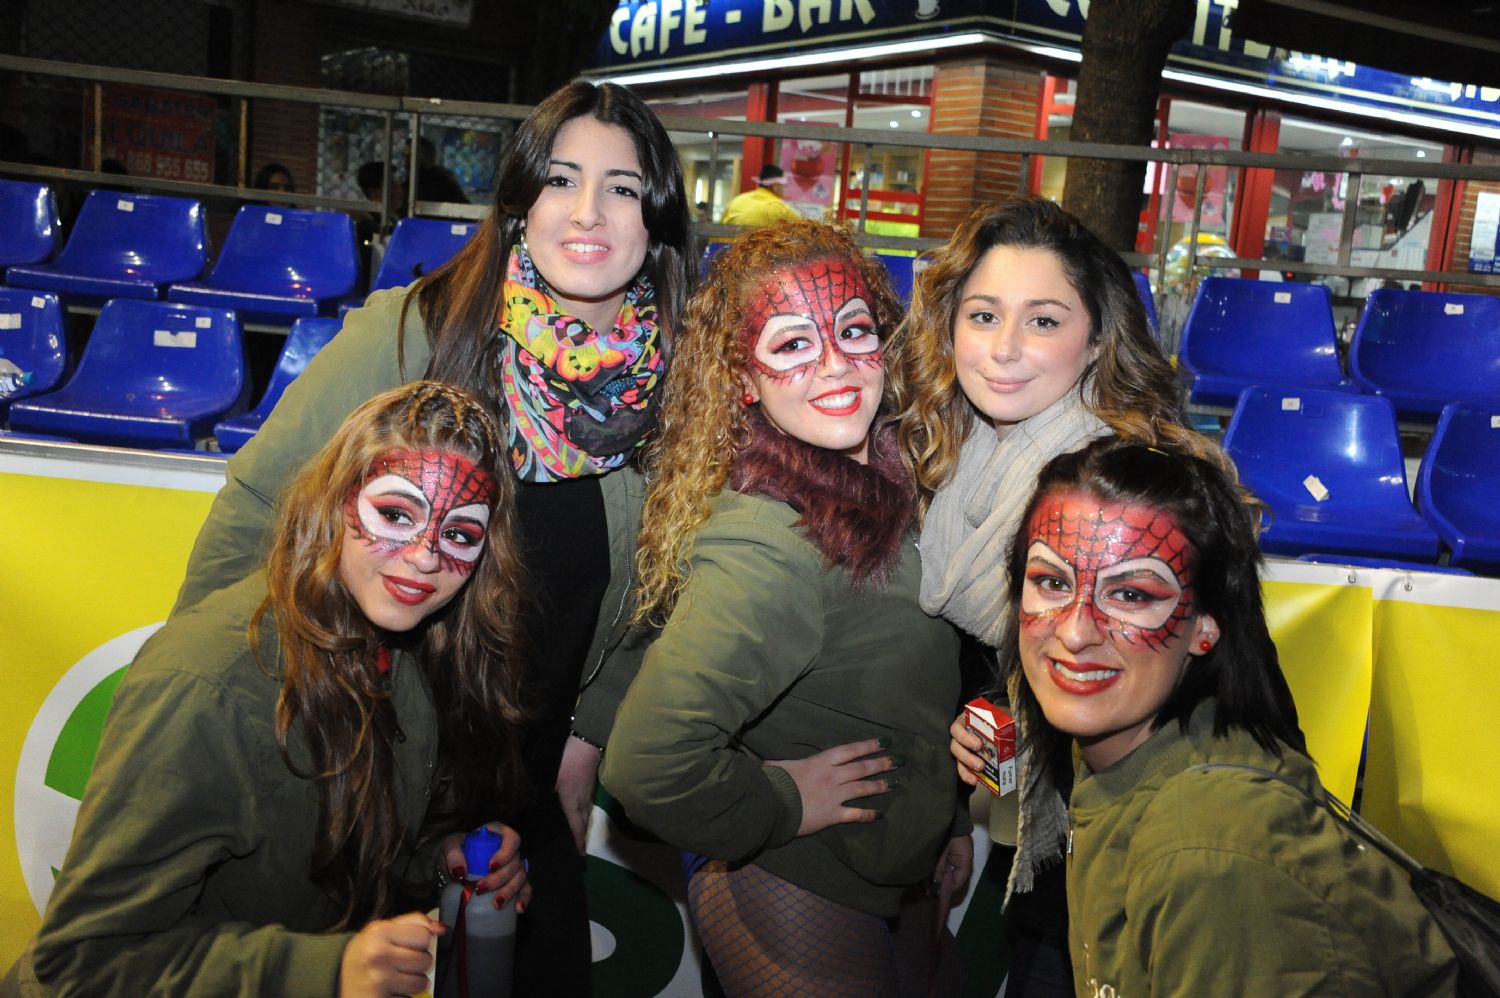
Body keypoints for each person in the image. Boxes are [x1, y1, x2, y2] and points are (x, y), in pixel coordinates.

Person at [169, 78, 693, 997]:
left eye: (621, 186)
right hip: (353, 770)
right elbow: (259, 512)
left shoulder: (677, 392)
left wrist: (587, 736)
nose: (587, 212)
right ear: (519, 201)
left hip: (514, 808)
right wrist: (208, 722)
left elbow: (659, 585)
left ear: (657, 216)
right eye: (560, 179)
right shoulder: (412, 335)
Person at [9, 382, 532, 996]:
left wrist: (436, 860)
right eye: (395, 515)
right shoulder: (205, 687)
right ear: (336, 502)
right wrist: (325, 971)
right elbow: (82, 963)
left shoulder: (401, 661)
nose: (423, 558)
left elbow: (321, 863)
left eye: (460, 535)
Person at [601, 219, 969, 996]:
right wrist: (783, 802)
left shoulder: (905, 479)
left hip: (884, 874)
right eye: (793, 344)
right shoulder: (773, 542)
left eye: (853, 330)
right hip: (796, 889)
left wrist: (949, 820)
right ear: (742, 378)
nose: (835, 365)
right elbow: (648, 765)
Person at [957, 436, 1460, 995]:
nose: (1075, 632)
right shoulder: (1113, 758)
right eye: (1051, 582)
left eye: (1131, 596)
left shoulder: (1210, 852)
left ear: (1207, 626)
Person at [893, 195, 1232, 995]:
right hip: (1045, 838)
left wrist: (1030, 706)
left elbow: (1190, 676)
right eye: (983, 316)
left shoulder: (1128, 483)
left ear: (1094, 343)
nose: (1005, 350)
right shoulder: (969, 461)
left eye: (1044, 321)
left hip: (1143, 846)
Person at [721, 162, 802, 227]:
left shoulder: (737, 200)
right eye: (783, 186)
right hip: (750, 247)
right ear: (775, 187)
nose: (784, 189)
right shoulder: (780, 207)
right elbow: (804, 229)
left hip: (722, 246)